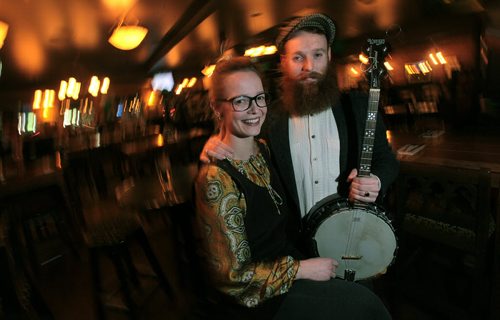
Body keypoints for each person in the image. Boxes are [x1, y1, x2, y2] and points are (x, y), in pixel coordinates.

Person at [193, 56, 392, 319]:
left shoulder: (262, 149)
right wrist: (301, 269)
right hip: (264, 299)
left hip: (293, 264)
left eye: (259, 97)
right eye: (240, 101)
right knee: (368, 310)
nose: (254, 109)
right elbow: (232, 278)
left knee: (367, 297)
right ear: (218, 108)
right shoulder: (216, 179)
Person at [201, 13, 399, 250]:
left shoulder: (359, 106)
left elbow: (386, 160)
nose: (309, 66)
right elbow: (242, 142)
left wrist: (376, 180)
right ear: (283, 62)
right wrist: (217, 142)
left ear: (329, 56)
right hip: (296, 248)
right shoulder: (267, 117)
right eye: (298, 57)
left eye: (317, 55)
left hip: (354, 239)